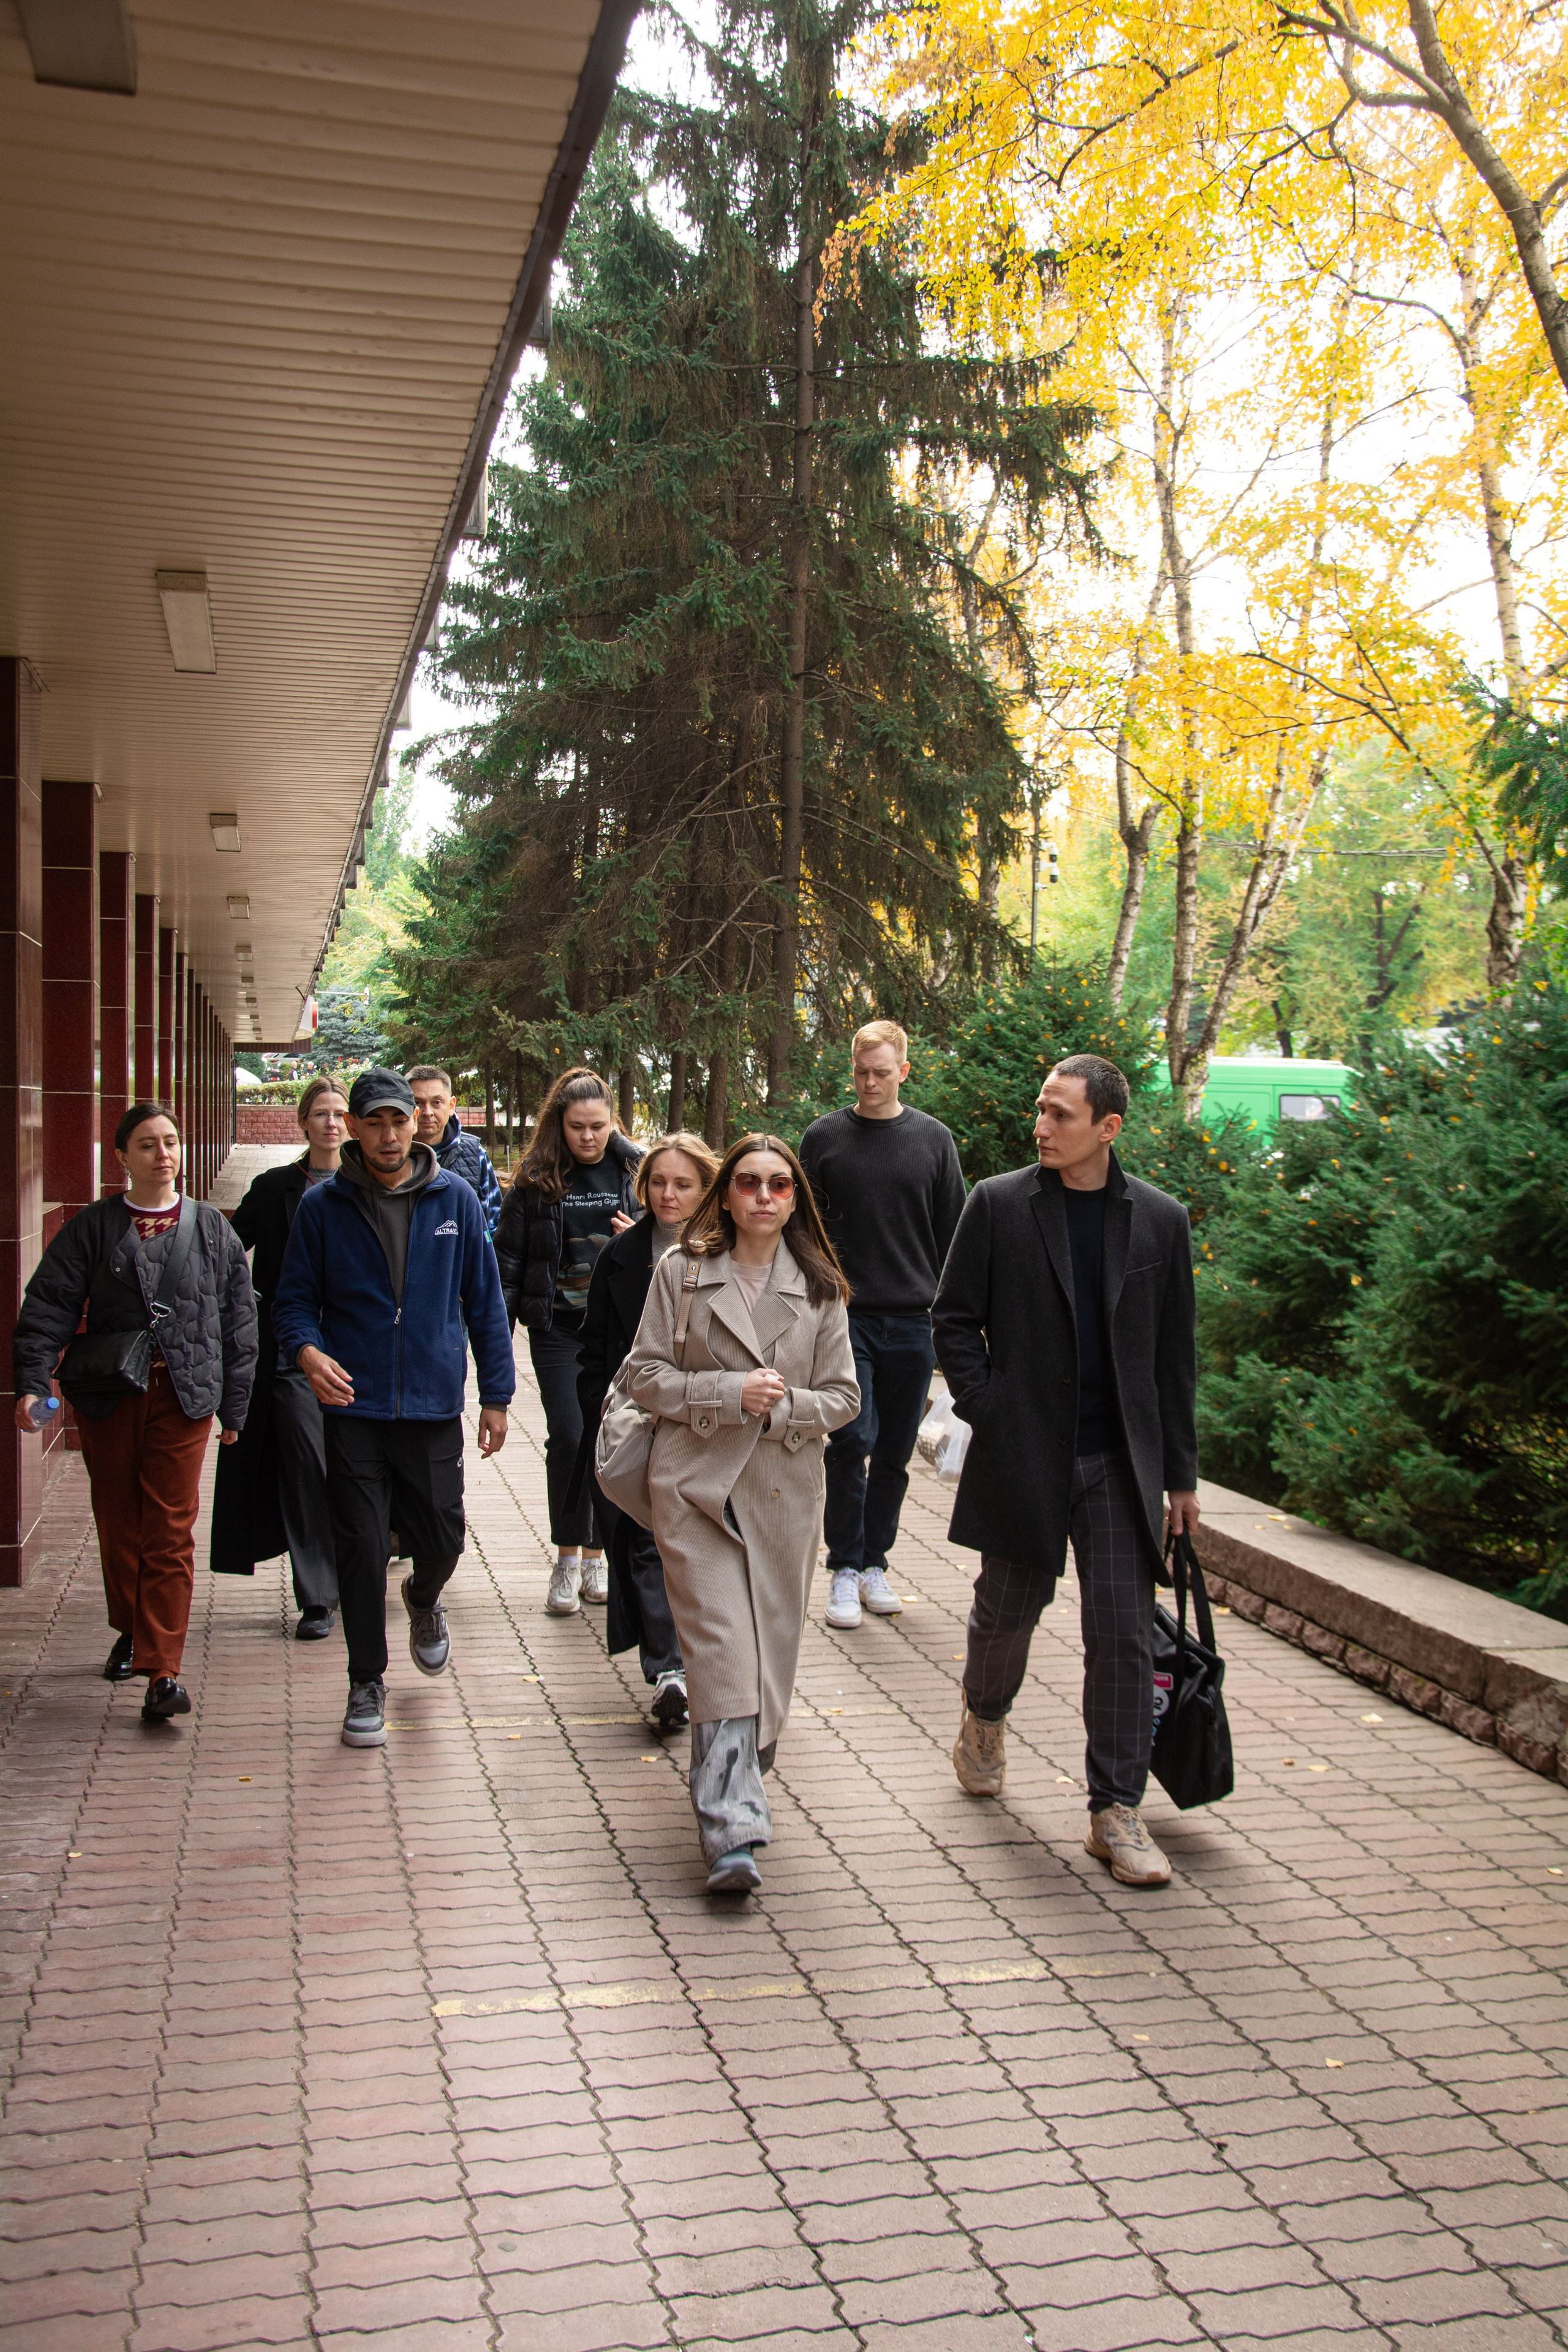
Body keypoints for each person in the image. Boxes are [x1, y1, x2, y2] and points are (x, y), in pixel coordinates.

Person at [932, 1053, 1200, 1890]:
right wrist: (994, 1408)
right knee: (1004, 1614)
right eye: (1040, 1111)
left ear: (1108, 1128)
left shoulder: (1159, 1220)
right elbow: (953, 1320)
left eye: (1060, 1115)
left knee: (1121, 1633)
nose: (1041, 1127)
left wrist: (1181, 1478)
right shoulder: (999, 1204)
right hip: (1025, 1456)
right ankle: (984, 1717)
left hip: (1120, 1462)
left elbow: (1174, 1359)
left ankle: (1114, 1810)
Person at [623, 1135, 858, 1895]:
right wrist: (725, 1395)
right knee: (722, 1653)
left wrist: (783, 1403)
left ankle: (742, 1771)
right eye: (748, 1183)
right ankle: (731, 1833)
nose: (763, 1197)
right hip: (695, 1490)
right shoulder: (682, 1274)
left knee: (766, 1661)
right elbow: (641, 1374)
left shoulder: (820, 1289)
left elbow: (844, 1398)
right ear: (724, 1194)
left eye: (778, 1186)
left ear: (795, 1199)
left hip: (782, 1499)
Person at [272, 1067, 515, 1749]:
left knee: (442, 1537)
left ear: (418, 1123)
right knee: (360, 1544)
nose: (387, 1135)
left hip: (434, 1402)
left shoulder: (456, 1200)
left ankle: (423, 1598)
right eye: (373, 1122)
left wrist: (496, 1395)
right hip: (354, 1403)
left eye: (398, 1121)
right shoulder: (322, 1208)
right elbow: (292, 1302)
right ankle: (365, 1681)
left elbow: (485, 1303)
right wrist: (307, 1353)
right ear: (352, 1127)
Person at [12, 1101, 257, 1724]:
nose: (163, 1153)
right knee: (120, 1522)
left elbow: (238, 1318)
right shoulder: (92, 1229)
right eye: (146, 1144)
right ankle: (130, 1626)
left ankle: (162, 1668)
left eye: (170, 1141)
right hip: (110, 1397)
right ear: (121, 1157)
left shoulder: (209, 1229)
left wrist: (236, 1404)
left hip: (185, 1396)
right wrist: (32, 1383)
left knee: (171, 1530)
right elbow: (48, 1307)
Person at [800, 1019, 967, 1630]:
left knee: (895, 1452)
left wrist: (959, 1318)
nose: (870, 1083)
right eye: (860, 1072)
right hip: (846, 1318)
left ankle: (876, 1563)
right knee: (852, 1440)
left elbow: (955, 1234)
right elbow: (800, 1228)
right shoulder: (823, 1139)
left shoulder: (933, 1141)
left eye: (881, 1072)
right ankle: (843, 1565)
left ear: (903, 1071)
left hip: (914, 1321)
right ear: (853, 1071)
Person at [573, 1131, 720, 1724]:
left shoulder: (728, 1255)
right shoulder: (622, 1255)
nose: (667, 1194)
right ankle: (668, 1674)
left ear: (706, 1188)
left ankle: (712, 1661)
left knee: (704, 1548)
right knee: (644, 1540)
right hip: (640, 1424)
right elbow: (593, 1348)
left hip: (712, 1426)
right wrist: (605, 1414)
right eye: (657, 1182)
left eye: (682, 1183)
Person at [492, 1067, 642, 1614]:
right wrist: (496, 1352)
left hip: (618, 1332)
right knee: (571, 1437)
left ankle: (598, 1555)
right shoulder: (536, 1179)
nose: (588, 1137)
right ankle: (567, 1557)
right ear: (561, 1123)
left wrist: (641, 1236)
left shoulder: (635, 1171)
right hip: (557, 1331)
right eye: (577, 1127)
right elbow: (508, 1265)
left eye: (598, 1126)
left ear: (612, 1123)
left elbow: (679, 1236)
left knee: (610, 1439)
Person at [210, 1077, 347, 1637]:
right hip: (294, 1353)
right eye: (321, 1113)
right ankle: (318, 1594)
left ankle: (370, 1565)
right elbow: (220, 1249)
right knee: (307, 1467)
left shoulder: (378, 1186)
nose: (332, 1123)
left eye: (341, 1113)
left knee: (362, 1466)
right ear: (303, 1122)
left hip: (365, 1349)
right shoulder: (273, 1190)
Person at [409, 1064, 503, 1235]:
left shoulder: (475, 1154)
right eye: (418, 1103)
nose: (427, 1112)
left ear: (451, 1105)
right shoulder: (395, 1155)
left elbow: (493, 1224)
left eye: (437, 1102)